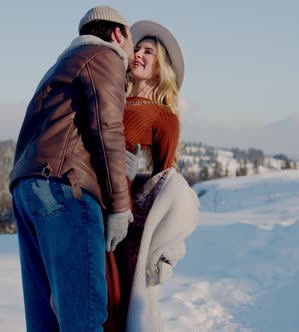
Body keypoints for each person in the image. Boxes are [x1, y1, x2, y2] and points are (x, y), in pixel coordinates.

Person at [9, 6, 135, 332]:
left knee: (44, 320)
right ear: (119, 34)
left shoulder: (59, 67)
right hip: (66, 188)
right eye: (133, 41)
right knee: (85, 318)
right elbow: (107, 129)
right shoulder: (105, 57)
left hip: (27, 189)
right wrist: (120, 206)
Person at [108, 20, 200, 332]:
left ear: (160, 68)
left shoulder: (164, 117)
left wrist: (134, 175)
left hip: (125, 224)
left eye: (149, 51)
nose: (139, 54)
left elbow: (167, 184)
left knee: (118, 305)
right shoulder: (110, 98)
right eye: (137, 47)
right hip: (90, 205)